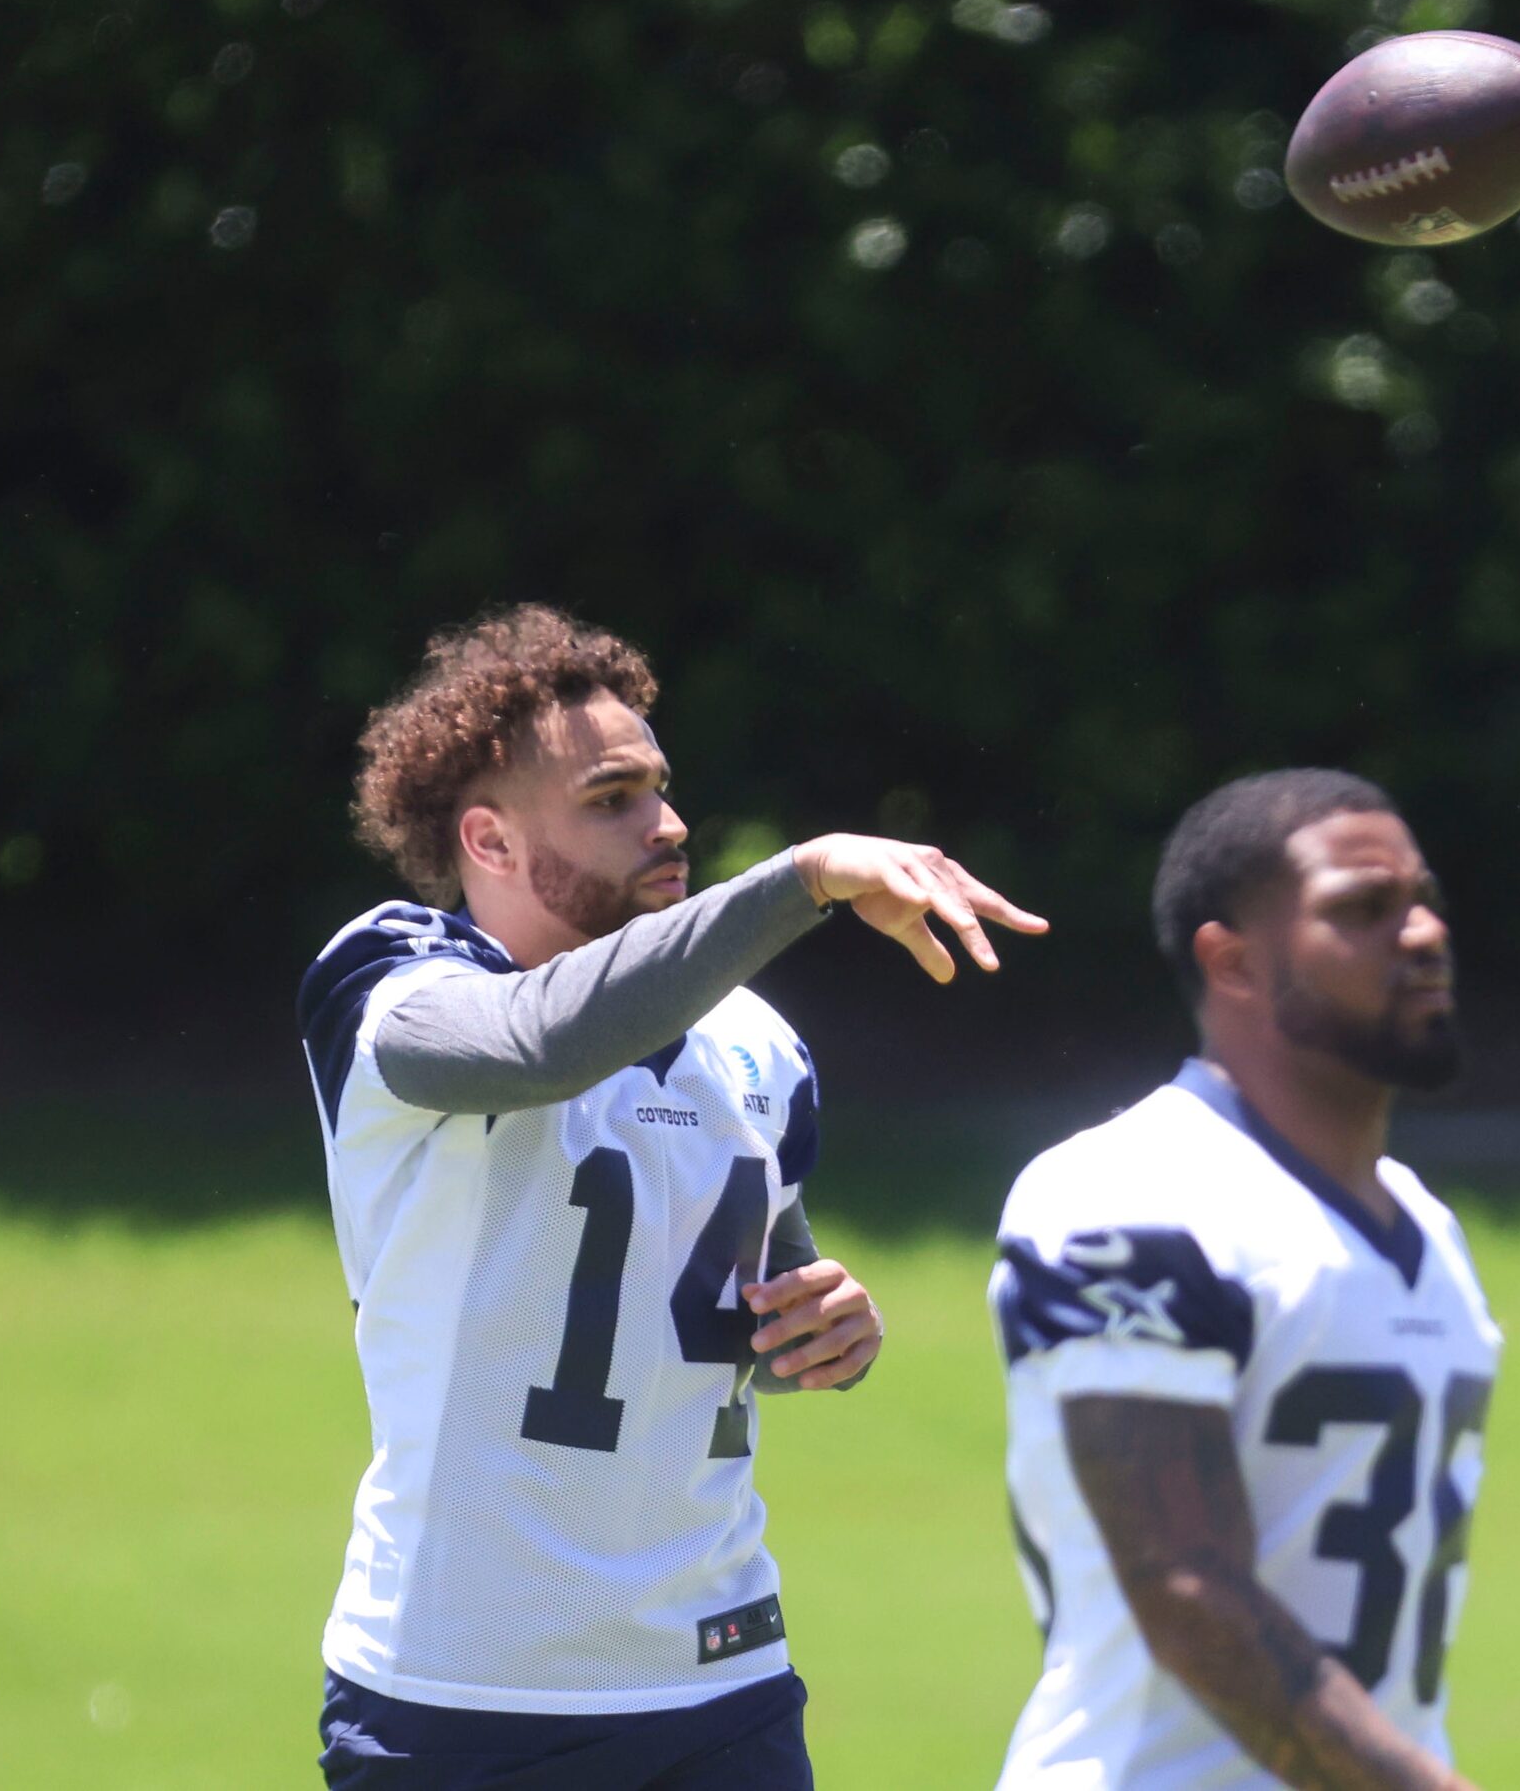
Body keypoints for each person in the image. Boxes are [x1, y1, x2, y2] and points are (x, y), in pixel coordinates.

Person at [299, 604, 1045, 1790]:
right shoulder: (391, 981)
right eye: (613, 799)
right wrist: (803, 878)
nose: (670, 824)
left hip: (720, 1682)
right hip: (463, 1696)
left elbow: (757, 1295)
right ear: (487, 842)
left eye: (661, 786)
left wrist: (828, 1329)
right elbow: (537, 1043)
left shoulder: (754, 1041)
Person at [989, 769, 1500, 1791]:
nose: (1421, 933)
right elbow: (1187, 1587)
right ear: (1231, 961)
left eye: (1422, 899)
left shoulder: (1426, 1227)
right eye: (1361, 909)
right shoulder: (1131, 1195)